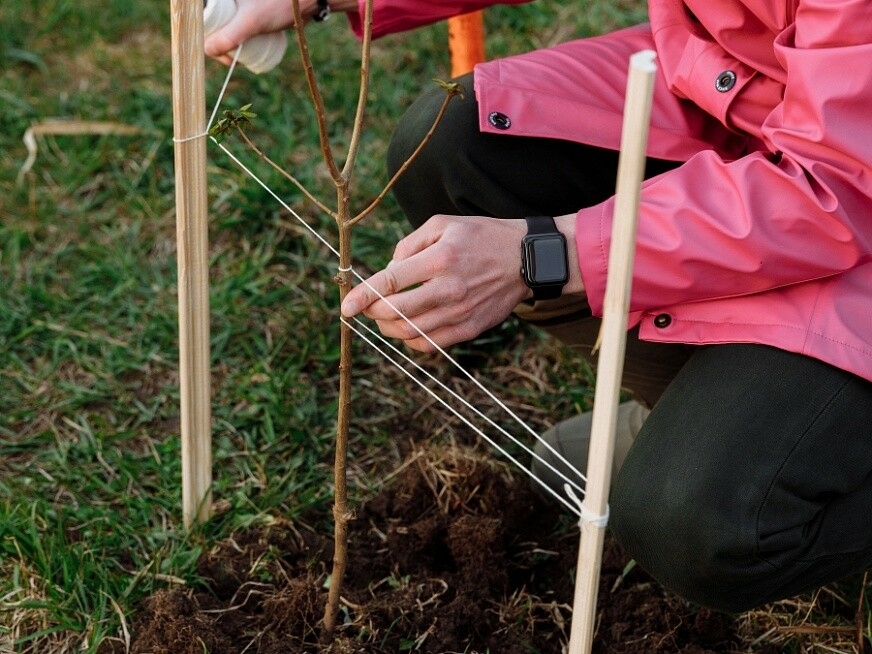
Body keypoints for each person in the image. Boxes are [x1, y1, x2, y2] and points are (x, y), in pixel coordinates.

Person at [207, 0, 872, 615]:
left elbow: (839, 183)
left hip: (844, 179)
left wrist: (548, 253)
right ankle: (718, 405)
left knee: (702, 526)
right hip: (748, 98)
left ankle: (776, 446)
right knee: (454, 147)